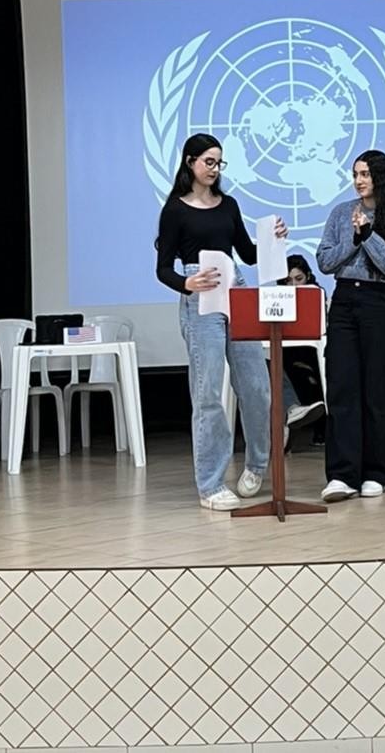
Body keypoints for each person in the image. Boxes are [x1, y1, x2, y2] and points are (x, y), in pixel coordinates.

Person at [156, 133, 287, 510]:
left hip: (236, 287)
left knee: (257, 386)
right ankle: (211, 484)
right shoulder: (175, 210)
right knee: (209, 391)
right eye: (208, 161)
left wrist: (274, 239)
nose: (214, 169)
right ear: (190, 162)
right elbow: (162, 268)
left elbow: (248, 253)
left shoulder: (228, 205)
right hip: (201, 294)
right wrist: (187, 283)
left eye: (218, 162)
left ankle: (257, 464)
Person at [316, 150, 385, 502]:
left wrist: (369, 235)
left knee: (376, 390)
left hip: (381, 302)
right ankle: (342, 474)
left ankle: (376, 472)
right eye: (356, 174)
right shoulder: (340, 213)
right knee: (342, 388)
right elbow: (325, 261)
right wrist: (353, 238)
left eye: (365, 174)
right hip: (344, 301)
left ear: (381, 178)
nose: (359, 181)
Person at [278, 254, 326, 448]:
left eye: (299, 279)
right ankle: (287, 420)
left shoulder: (317, 295)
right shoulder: (275, 299)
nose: (294, 286)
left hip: (311, 354)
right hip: (284, 354)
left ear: (308, 276)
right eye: (288, 281)